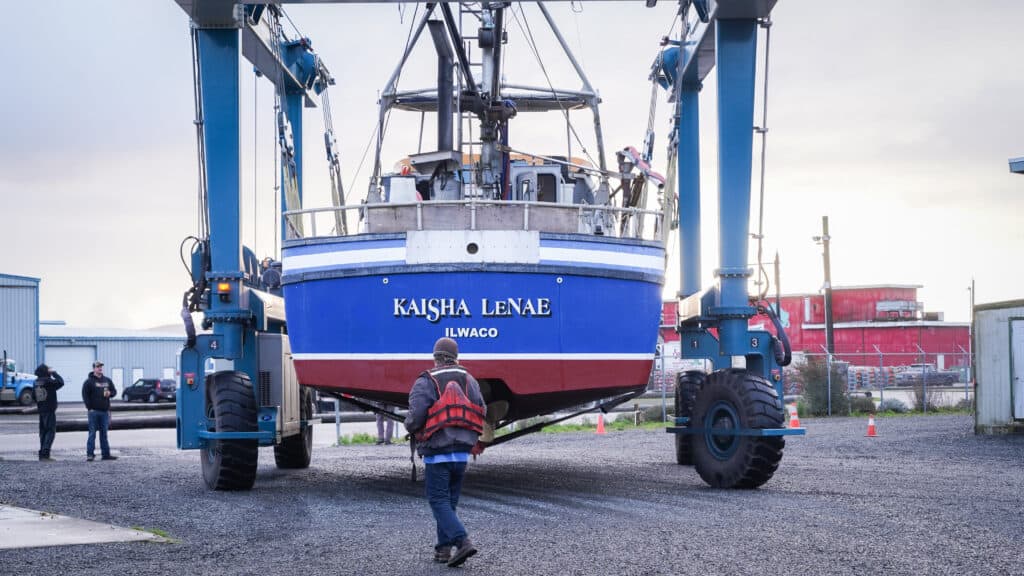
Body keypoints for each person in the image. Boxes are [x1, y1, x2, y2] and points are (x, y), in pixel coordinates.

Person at [405, 337, 486, 567]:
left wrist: (409, 425)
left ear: (436, 357)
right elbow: (483, 408)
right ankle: (443, 550)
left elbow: (417, 414)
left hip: (437, 451)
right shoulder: (470, 380)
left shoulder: (427, 380)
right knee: (448, 502)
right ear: (456, 357)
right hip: (462, 453)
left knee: (438, 500)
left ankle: (462, 542)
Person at [81, 361, 118, 461]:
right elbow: (85, 396)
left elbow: (114, 392)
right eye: (98, 367)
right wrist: (90, 408)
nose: (100, 368)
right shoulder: (89, 382)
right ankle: (90, 454)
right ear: (94, 368)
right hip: (94, 412)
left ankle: (106, 455)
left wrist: (110, 393)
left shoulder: (107, 380)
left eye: (101, 366)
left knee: (104, 434)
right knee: (92, 434)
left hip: (104, 412)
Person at [34, 364, 64, 461]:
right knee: (50, 431)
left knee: (43, 432)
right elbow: (61, 382)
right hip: (49, 410)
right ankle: (46, 454)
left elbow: (33, 396)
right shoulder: (49, 381)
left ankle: (42, 454)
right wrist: (54, 373)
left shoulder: (36, 382)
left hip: (41, 410)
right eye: (48, 369)